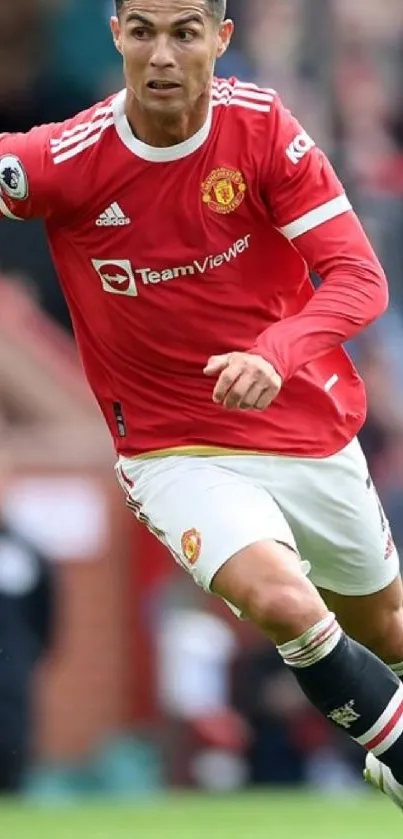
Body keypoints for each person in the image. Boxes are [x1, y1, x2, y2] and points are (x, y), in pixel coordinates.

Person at [0, 0, 402, 809]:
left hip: (302, 425)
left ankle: (386, 749)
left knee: (386, 630)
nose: (161, 54)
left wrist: (273, 351)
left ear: (220, 38)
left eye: (184, 31)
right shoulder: (62, 159)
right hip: (173, 450)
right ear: (117, 36)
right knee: (282, 599)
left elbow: (359, 279)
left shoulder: (260, 130)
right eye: (142, 31)